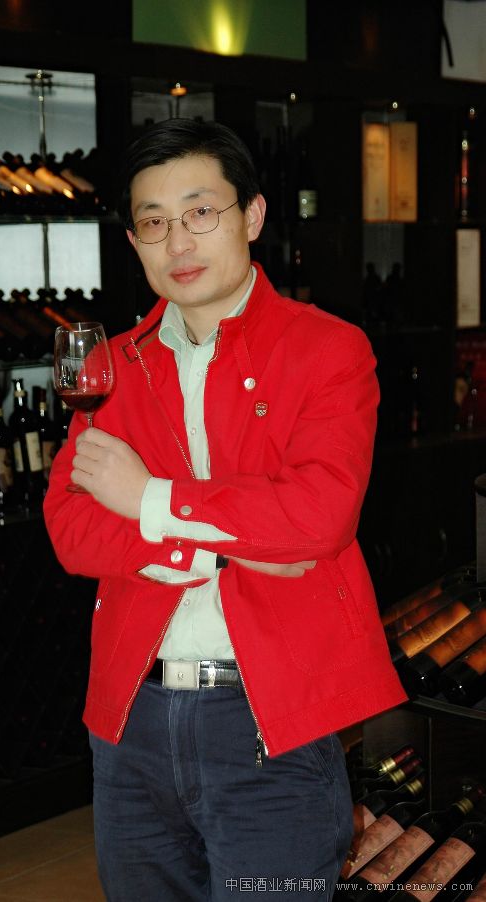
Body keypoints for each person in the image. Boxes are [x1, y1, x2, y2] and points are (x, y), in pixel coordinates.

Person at [44, 118, 407, 901]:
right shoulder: (112, 368)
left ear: (252, 216)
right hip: (132, 722)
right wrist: (212, 547)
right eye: (153, 222)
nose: (177, 241)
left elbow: (317, 517)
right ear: (134, 240)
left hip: (269, 720)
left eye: (200, 211)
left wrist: (148, 499)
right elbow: (72, 529)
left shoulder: (329, 350)